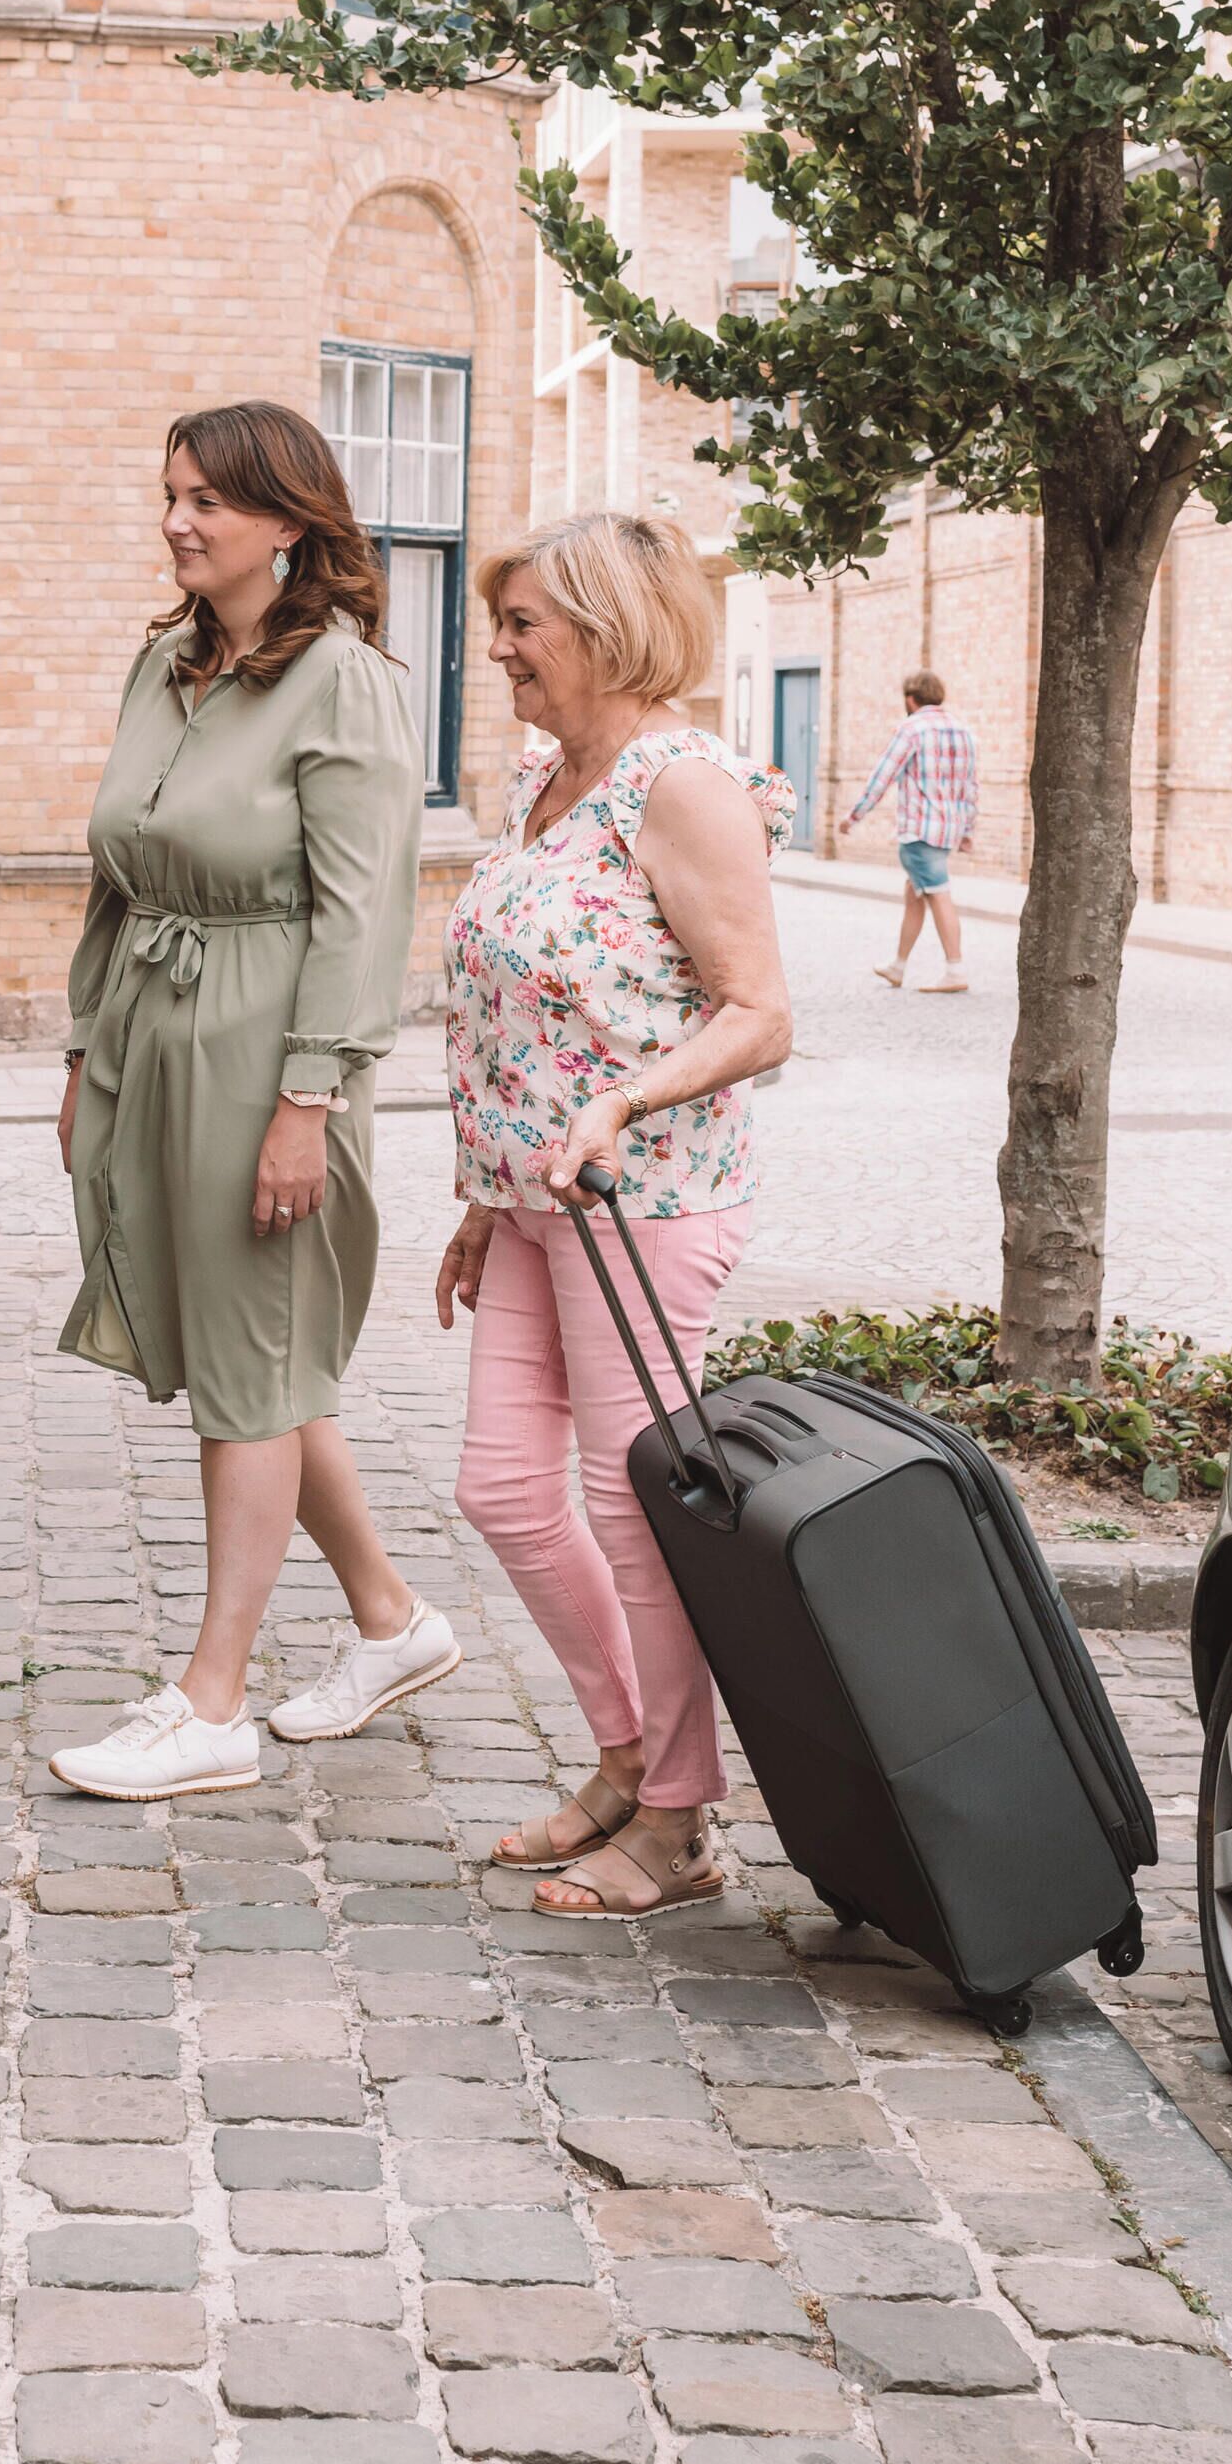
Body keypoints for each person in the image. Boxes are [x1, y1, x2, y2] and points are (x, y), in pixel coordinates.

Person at [49, 398, 454, 1800]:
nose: (176, 522)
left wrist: (307, 1101)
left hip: (267, 1044)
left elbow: (364, 911)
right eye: (169, 496)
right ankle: (391, 1623)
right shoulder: (163, 662)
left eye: (205, 502)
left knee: (252, 1369)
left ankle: (211, 1701)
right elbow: (116, 873)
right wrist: (83, 1048)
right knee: (256, 1360)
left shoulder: (344, 682)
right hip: (153, 1029)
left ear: (286, 521)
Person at [439, 512, 794, 1916]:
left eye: (522, 622)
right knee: (501, 1489)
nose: (498, 647)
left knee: (629, 1505)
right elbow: (511, 1010)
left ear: (607, 628)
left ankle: (676, 1820)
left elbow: (759, 1013)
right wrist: (484, 1197)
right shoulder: (546, 775)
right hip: (535, 1201)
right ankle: (627, 1755)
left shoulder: (680, 785)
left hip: (642, 1201)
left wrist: (623, 1105)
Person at [848, 667, 979, 991]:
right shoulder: (962, 731)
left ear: (910, 699)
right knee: (915, 894)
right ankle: (899, 965)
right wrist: (967, 831)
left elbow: (883, 776)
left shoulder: (912, 729)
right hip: (947, 830)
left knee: (937, 894)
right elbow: (970, 786)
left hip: (920, 830)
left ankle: (956, 970)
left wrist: (854, 816)